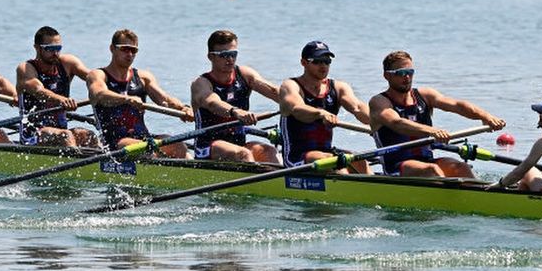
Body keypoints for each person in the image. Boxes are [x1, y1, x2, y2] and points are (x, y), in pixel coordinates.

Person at [368, 50, 505, 178]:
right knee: (431, 170)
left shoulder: (425, 95)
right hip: (397, 167)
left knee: (461, 167)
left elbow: (457, 106)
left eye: (410, 71)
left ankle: (479, 197)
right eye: (401, 73)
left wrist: (486, 116)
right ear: (387, 75)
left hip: (427, 160)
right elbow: (397, 123)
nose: (407, 77)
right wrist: (433, 131)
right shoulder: (379, 102)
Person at [87, 29, 195, 159]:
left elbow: (164, 99)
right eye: (125, 49)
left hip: (144, 139)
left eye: (134, 50)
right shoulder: (99, 75)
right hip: (115, 143)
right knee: (147, 151)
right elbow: (98, 94)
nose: (130, 54)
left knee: (178, 146)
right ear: (112, 48)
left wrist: (183, 108)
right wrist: (126, 99)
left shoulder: (143, 77)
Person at [278, 40, 371, 173]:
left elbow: (357, 107)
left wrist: (377, 122)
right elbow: (296, 109)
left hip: (325, 153)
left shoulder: (338, 87)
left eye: (327, 61)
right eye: (317, 61)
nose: (323, 66)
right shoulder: (291, 86)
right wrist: (320, 113)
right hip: (296, 158)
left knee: (360, 161)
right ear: (303, 62)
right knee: (332, 161)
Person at [190, 29, 281, 163]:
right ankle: (255, 182)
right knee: (243, 154)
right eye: (224, 55)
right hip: (208, 146)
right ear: (211, 57)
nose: (230, 59)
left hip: (238, 144)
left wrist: (300, 105)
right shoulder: (201, 83)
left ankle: (276, 183)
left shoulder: (244, 75)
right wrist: (235, 112)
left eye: (233, 54)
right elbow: (212, 102)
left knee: (268, 151)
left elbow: (274, 91)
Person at [15, 25, 96, 147]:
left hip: (61, 131)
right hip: (34, 134)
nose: (55, 53)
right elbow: (39, 91)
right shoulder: (26, 69)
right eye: (50, 49)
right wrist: (62, 100)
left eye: (58, 48)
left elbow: (93, 78)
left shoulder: (67, 64)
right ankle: (75, 164)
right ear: (37, 48)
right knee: (65, 135)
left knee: (88, 135)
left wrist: (105, 91)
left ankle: (99, 165)